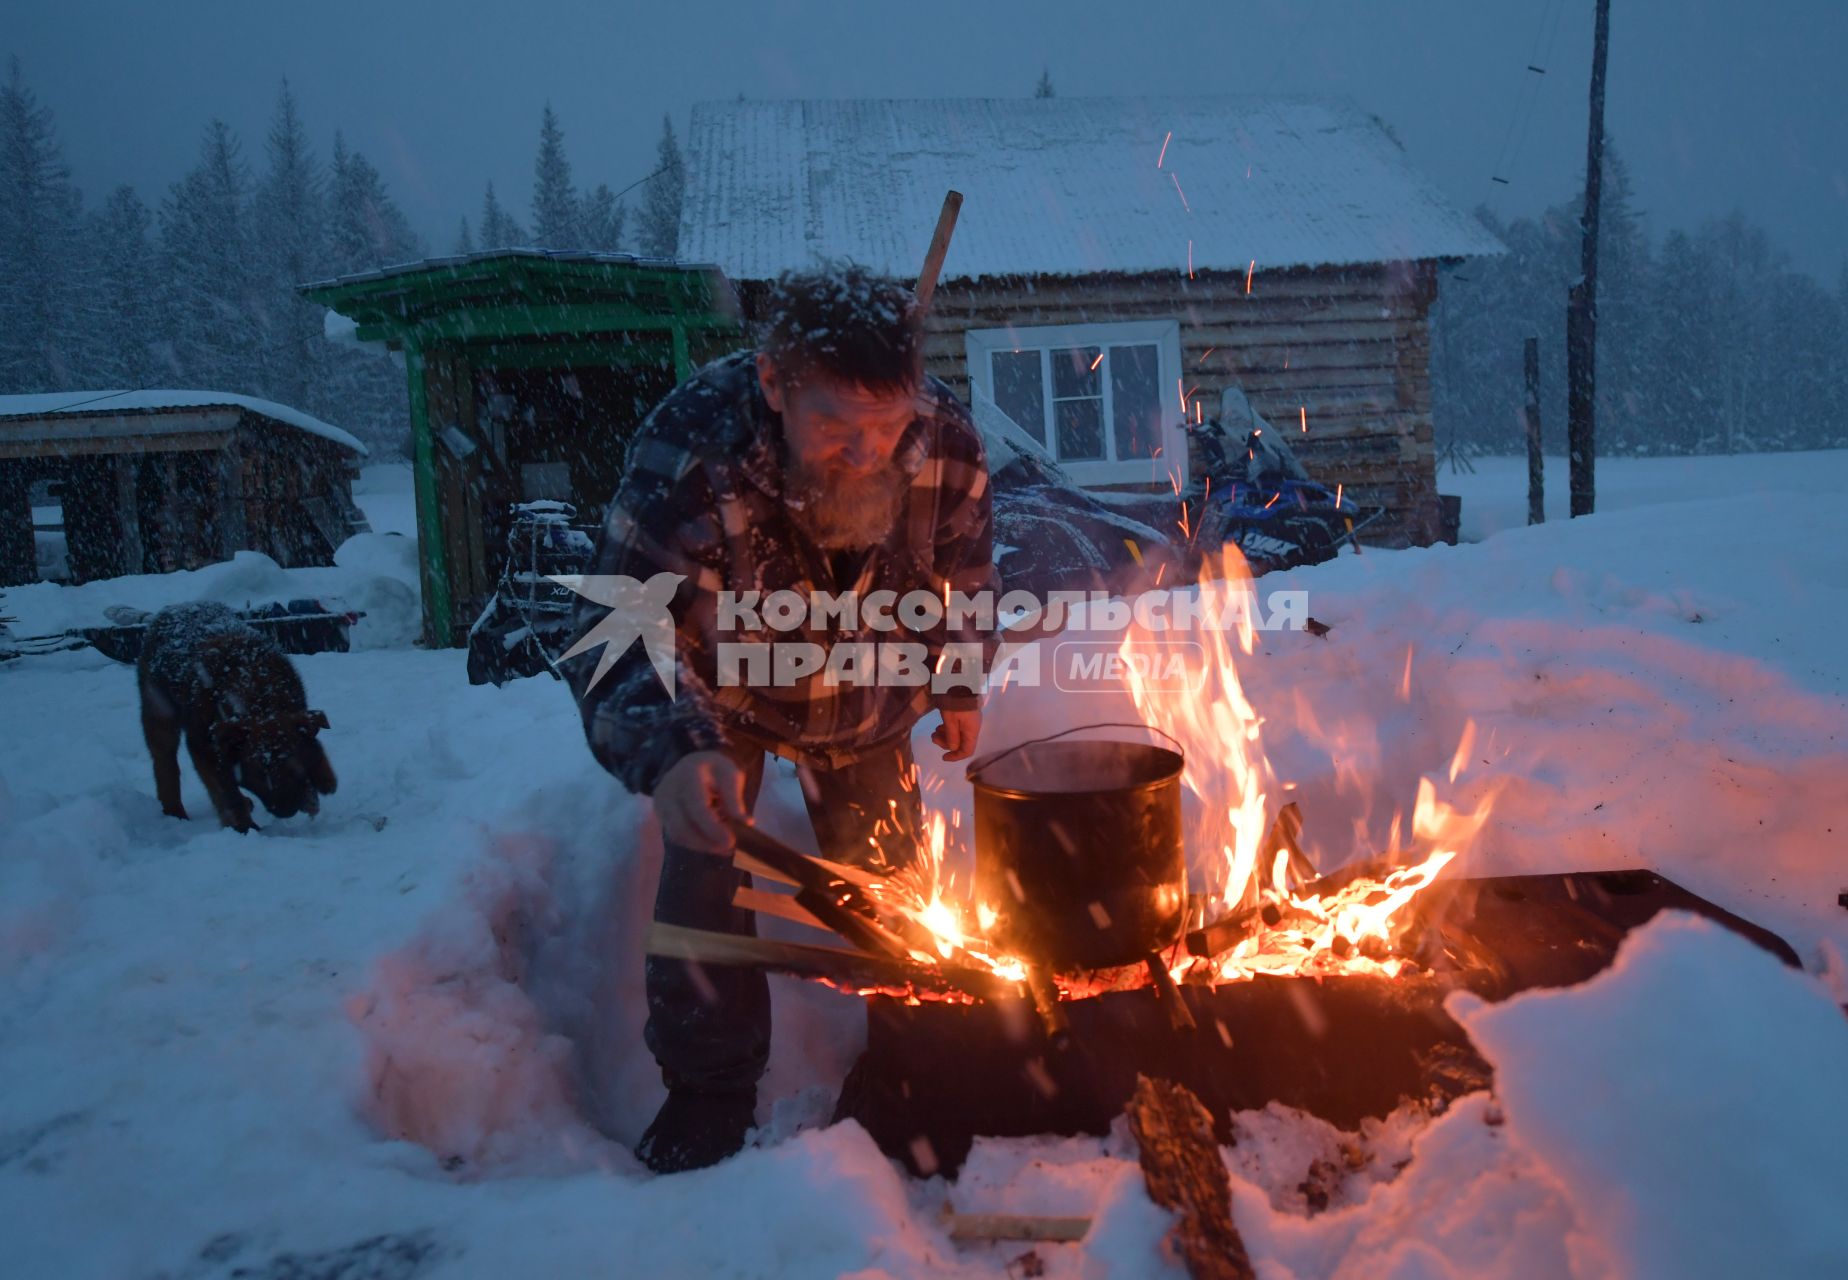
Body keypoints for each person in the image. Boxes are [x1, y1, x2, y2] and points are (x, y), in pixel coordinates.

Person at [566, 265, 997, 1173]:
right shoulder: (694, 449)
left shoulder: (947, 440)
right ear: (773, 384)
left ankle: (906, 1074)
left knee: (895, 888)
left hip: (871, 697)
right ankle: (710, 1097)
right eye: (834, 424)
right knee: (706, 878)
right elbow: (613, 624)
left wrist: (958, 678)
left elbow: (965, 571)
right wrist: (675, 753)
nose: (866, 451)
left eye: (886, 424)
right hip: (729, 699)